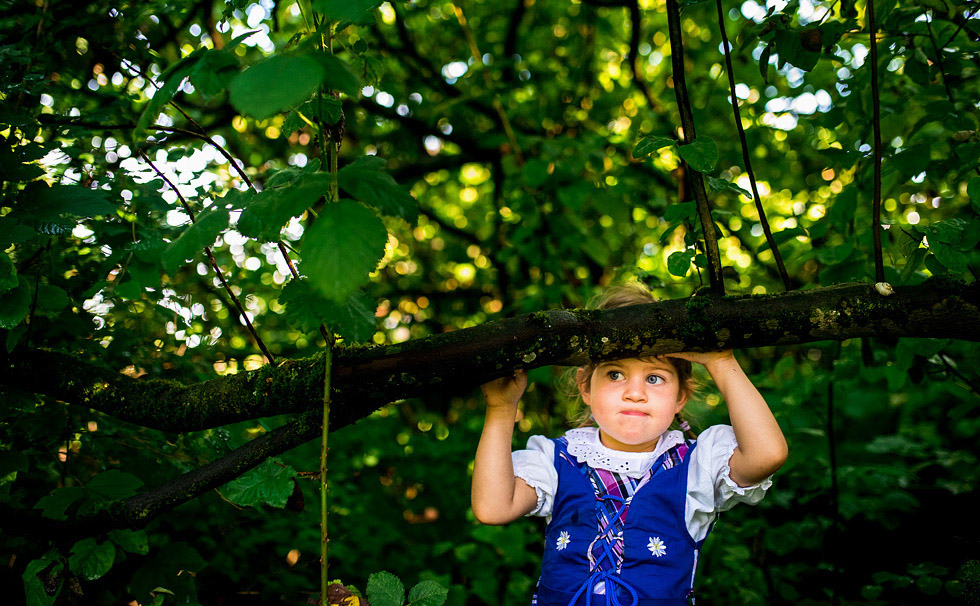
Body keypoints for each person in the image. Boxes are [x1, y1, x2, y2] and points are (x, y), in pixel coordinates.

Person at [471, 283, 788, 606]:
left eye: (654, 378)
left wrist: (721, 361)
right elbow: (493, 508)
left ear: (681, 396)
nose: (635, 393)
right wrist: (501, 408)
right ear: (585, 386)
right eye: (615, 374)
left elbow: (768, 455)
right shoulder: (557, 460)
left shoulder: (697, 467)